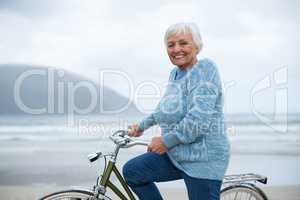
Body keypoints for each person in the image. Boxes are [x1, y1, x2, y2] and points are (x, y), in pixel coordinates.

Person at [122, 22, 230, 200]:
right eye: (170, 45)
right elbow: (164, 111)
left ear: (197, 46)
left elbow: (198, 120)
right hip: (177, 154)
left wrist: (165, 141)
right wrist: (140, 127)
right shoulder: (175, 74)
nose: (176, 49)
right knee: (133, 171)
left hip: (203, 159)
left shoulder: (205, 69)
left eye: (183, 43)